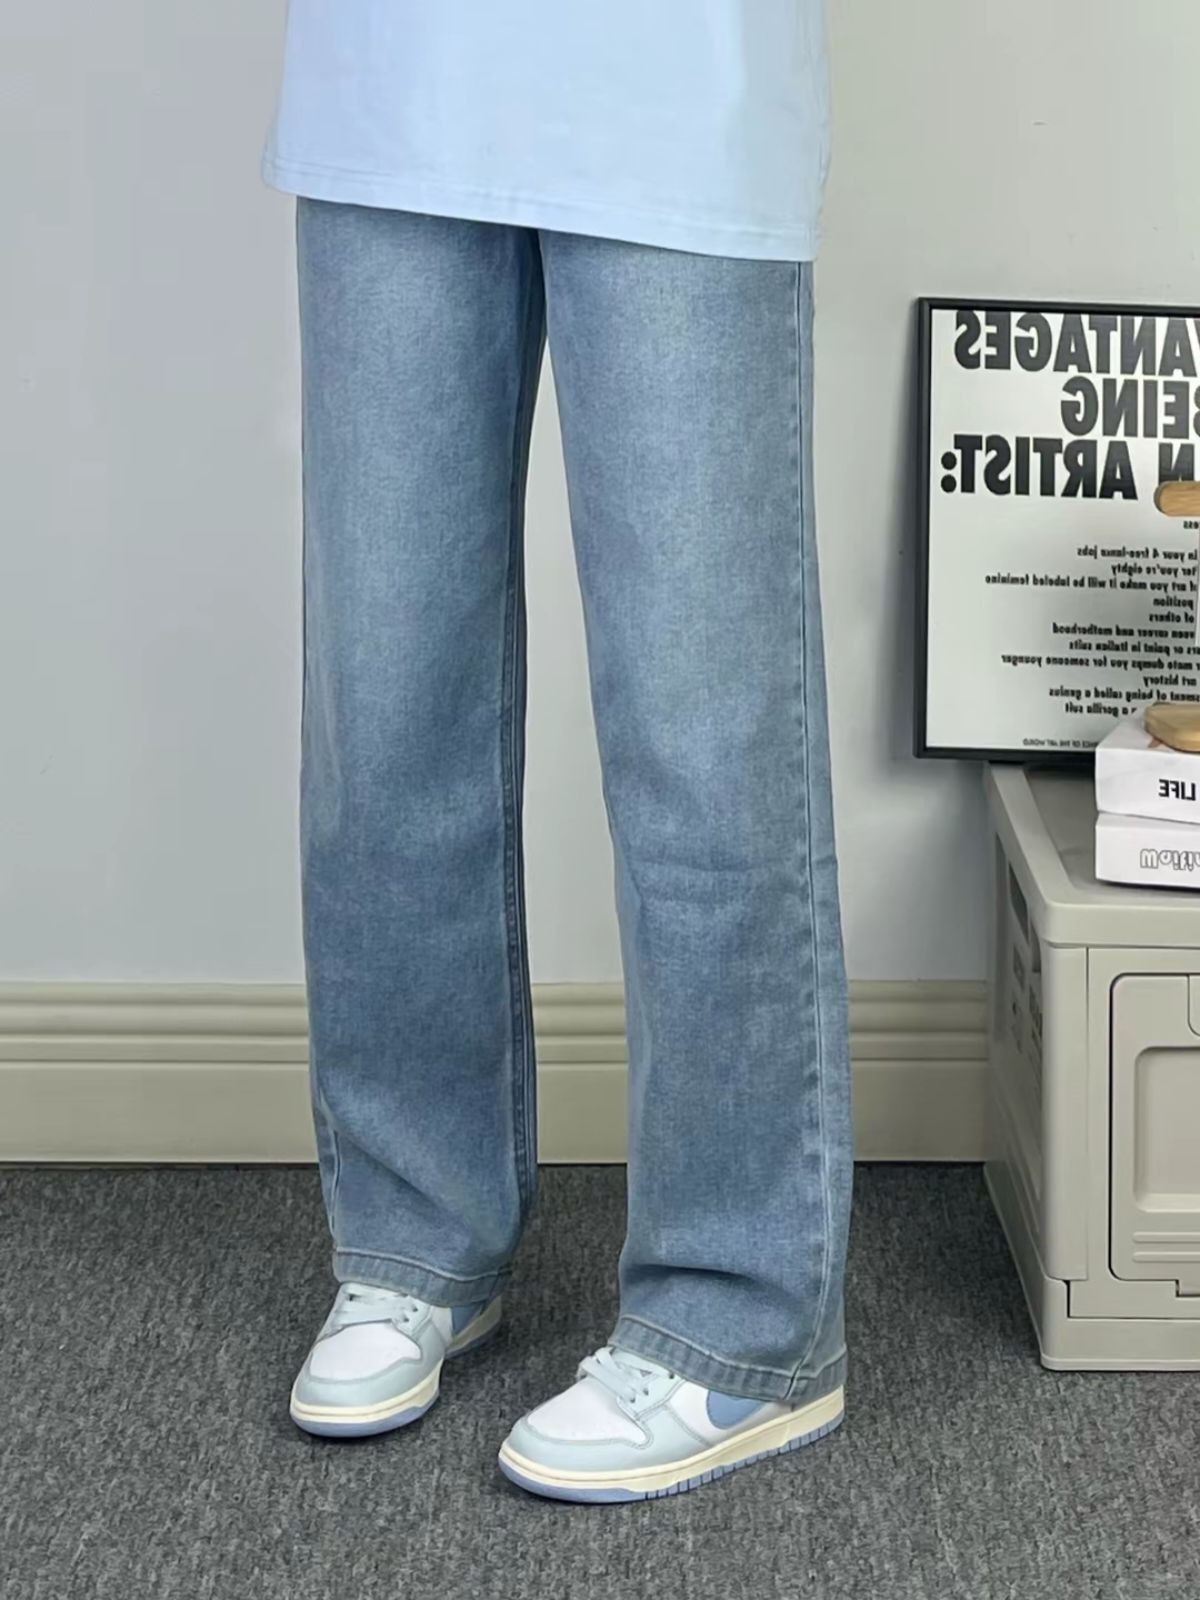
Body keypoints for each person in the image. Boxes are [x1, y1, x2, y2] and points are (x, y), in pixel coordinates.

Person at [262, 1, 853, 1504]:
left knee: (703, 733)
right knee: (388, 715)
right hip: (392, 85)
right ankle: (415, 1241)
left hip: (680, 91)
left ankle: (742, 1319)